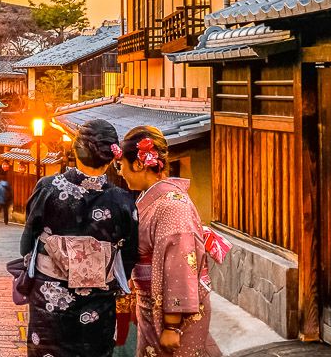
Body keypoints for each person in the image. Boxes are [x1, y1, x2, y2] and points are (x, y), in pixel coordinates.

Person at [20, 119, 139, 357]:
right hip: (98, 302)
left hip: (50, 299)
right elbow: (129, 255)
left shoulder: (48, 188)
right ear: (111, 156)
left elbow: (27, 242)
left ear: (75, 150)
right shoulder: (123, 202)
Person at [116, 126, 226, 356]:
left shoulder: (171, 206)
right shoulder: (156, 200)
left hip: (174, 318)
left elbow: (179, 267)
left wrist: (172, 325)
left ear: (138, 164)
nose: (120, 172)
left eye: (121, 165)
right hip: (152, 305)